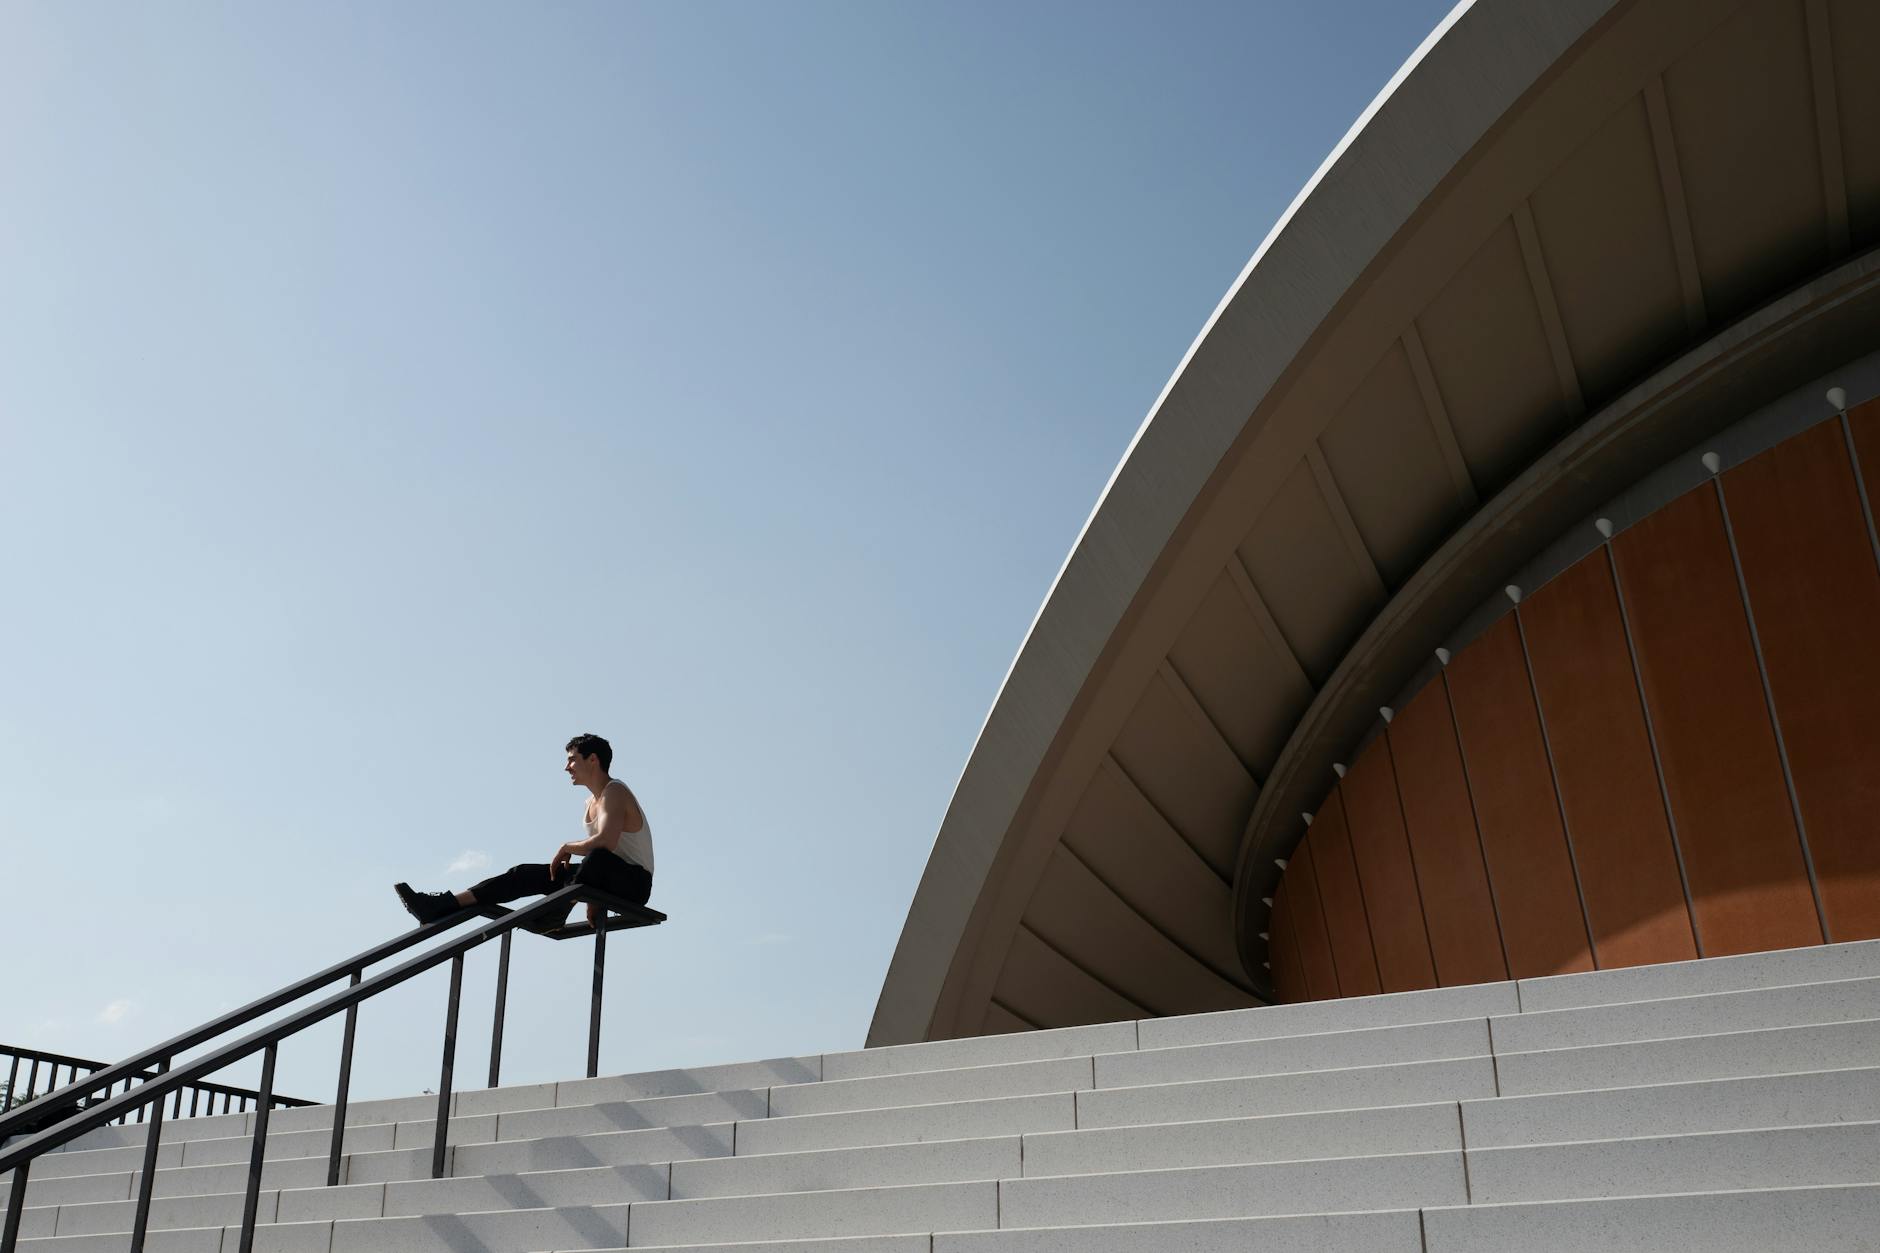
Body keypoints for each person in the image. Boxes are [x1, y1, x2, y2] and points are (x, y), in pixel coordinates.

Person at [394, 733, 654, 930]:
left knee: (596, 857)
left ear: (593, 759)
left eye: (572, 760)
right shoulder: (590, 804)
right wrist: (591, 900)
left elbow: (606, 843)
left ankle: (557, 910)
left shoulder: (615, 791)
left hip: (634, 883)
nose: (567, 767)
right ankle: (443, 905)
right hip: (605, 876)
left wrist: (566, 848)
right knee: (524, 874)